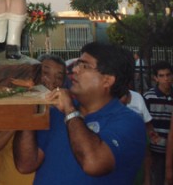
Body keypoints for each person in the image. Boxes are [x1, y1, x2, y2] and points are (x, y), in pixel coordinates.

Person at [13, 42, 147, 184]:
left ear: (107, 80)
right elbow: (25, 165)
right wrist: (29, 108)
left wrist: (70, 111)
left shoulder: (130, 122)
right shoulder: (57, 113)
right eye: (77, 64)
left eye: (84, 66)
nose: (75, 70)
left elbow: (93, 164)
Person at [0, 54, 66, 185]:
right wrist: (22, 113)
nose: (51, 81)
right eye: (45, 73)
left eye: (59, 77)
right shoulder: (11, 104)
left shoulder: (62, 115)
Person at [143, 60, 173, 185]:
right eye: (161, 76)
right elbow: (144, 123)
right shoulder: (148, 97)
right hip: (157, 149)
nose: (166, 79)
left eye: (168, 75)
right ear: (155, 78)